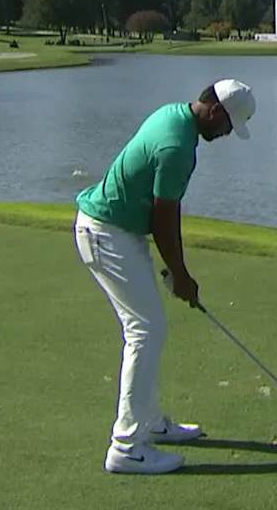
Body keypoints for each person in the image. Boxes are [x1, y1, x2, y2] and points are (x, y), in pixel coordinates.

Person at [74, 79, 256, 475]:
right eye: (228, 126)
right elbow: (164, 218)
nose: (226, 135)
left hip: (117, 229)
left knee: (149, 328)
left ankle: (150, 422)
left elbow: (156, 213)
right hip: (107, 232)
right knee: (145, 330)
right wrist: (181, 275)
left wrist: (173, 269)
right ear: (215, 111)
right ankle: (126, 446)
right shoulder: (178, 148)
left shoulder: (173, 114)